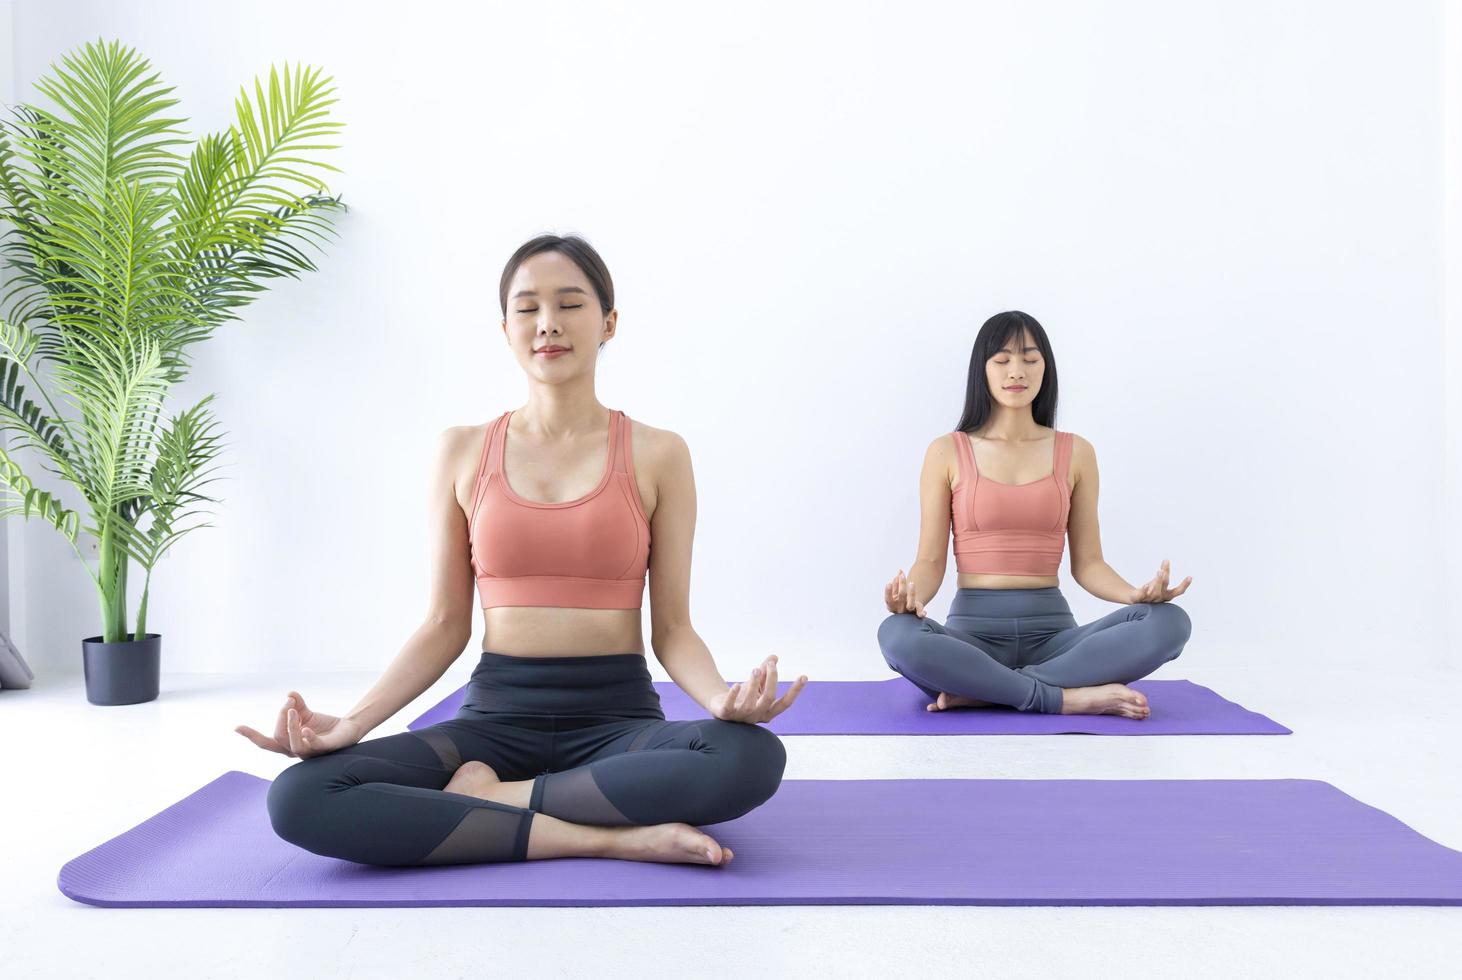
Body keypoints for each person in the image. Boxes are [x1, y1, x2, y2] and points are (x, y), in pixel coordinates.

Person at [238, 234, 806, 867]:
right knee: (299, 797)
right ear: (505, 326)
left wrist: (721, 701)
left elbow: (672, 627)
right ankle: (607, 838)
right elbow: (443, 623)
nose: (548, 325)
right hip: (492, 722)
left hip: (617, 721)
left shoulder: (659, 453)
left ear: (609, 322)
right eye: (527, 307)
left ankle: (499, 801)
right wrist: (351, 726)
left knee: (749, 757)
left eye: (570, 304)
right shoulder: (462, 451)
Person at [877, 311, 1192, 718]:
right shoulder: (946, 452)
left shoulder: (1077, 451)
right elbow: (931, 560)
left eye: (1030, 358)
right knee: (897, 635)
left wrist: (1135, 595)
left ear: (1046, 367)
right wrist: (910, 597)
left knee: (1170, 623)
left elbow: (1089, 563)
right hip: (971, 639)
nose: (1017, 371)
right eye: (1002, 359)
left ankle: (988, 690)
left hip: (1056, 639)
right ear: (982, 369)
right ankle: (1064, 697)